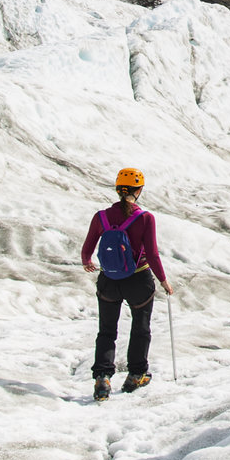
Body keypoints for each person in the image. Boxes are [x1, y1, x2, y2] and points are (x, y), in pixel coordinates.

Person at [81, 167, 172, 401]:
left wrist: (87, 262)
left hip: (108, 280)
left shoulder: (101, 216)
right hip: (138, 279)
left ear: (118, 190)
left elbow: (87, 250)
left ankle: (102, 377)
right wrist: (163, 280)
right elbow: (151, 254)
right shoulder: (145, 217)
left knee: (107, 330)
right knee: (140, 328)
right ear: (139, 191)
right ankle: (136, 375)